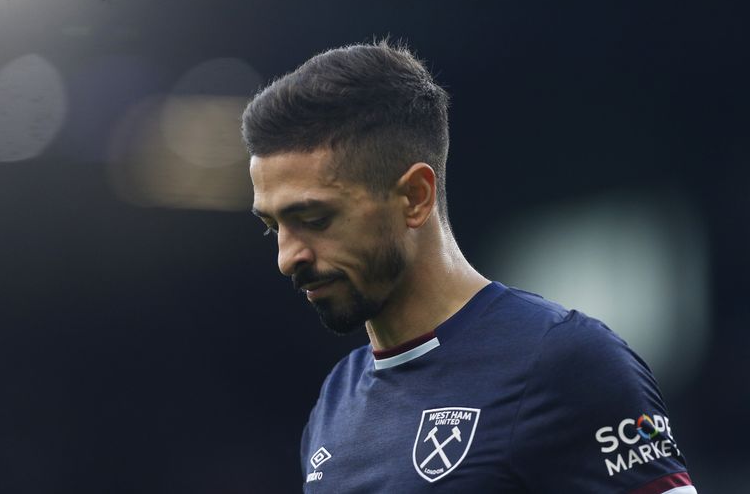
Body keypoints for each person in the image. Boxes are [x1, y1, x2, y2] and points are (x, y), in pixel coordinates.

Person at [241, 40, 697, 493]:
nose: (287, 258)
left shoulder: (566, 363)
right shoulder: (335, 401)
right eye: (272, 226)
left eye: (315, 220)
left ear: (415, 197)